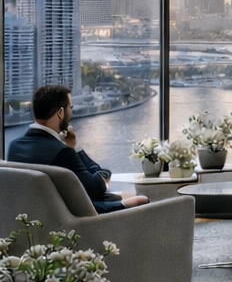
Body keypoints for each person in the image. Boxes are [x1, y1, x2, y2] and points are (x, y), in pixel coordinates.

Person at [6, 85, 149, 212]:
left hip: (41, 215)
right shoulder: (62, 152)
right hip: (75, 218)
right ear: (61, 113)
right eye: (71, 108)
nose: (71, 114)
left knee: (123, 195)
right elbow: (95, 188)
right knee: (141, 199)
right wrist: (75, 147)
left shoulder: (14, 147)